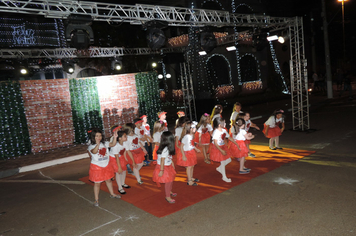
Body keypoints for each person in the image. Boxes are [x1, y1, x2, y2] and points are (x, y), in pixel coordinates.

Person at [87, 128, 121, 207]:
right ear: (93, 137)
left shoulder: (105, 143)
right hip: (97, 167)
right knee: (97, 183)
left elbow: (112, 144)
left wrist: (115, 137)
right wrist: (98, 145)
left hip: (106, 165)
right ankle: (96, 199)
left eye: (100, 136)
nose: (99, 137)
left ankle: (112, 194)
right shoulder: (91, 146)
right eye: (97, 136)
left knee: (108, 180)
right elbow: (94, 152)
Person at [210, 117, 239, 182]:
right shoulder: (216, 132)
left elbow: (229, 138)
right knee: (223, 162)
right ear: (220, 125)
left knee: (229, 160)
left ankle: (220, 168)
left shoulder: (224, 130)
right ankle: (224, 177)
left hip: (223, 146)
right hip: (217, 148)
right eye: (224, 123)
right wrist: (221, 150)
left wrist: (236, 143)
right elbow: (215, 142)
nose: (225, 123)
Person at [152, 131, 177, 204]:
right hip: (164, 167)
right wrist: (162, 170)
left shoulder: (167, 147)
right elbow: (162, 160)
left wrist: (172, 163)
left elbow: (168, 157)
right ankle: (167, 196)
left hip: (168, 165)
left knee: (170, 180)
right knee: (168, 181)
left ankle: (169, 191)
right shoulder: (165, 149)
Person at [178, 121, 201, 186]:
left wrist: (196, 149)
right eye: (194, 128)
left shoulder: (191, 135)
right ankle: (189, 181)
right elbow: (181, 146)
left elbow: (190, 144)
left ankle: (191, 177)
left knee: (192, 165)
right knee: (189, 167)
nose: (195, 129)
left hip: (191, 152)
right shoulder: (186, 137)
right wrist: (183, 155)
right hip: (187, 153)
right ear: (190, 129)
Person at [110, 127, 131, 194]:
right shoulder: (115, 146)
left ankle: (123, 183)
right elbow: (116, 157)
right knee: (118, 172)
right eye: (125, 136)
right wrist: (119, 167)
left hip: (120, 157)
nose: (126, 137)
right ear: (119, 138)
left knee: (124, 170)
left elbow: (126, 151)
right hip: (114, 158)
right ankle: (120, 187)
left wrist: (127, 158)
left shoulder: (125, 143)